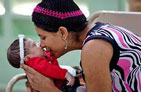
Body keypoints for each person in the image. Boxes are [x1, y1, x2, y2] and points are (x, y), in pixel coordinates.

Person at [20, 0, 141, 91]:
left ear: (63, 32)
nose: (41, 45)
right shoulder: (102, 30)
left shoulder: (94, 48)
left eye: (43, 37)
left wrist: (49, 89)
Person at [7, 37, 81, 92]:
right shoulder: (35, 63)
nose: (39, 44)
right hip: (61, 86)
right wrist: (65, 74)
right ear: (27, 57)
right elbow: (50, 69)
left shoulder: (39, 59)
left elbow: (50, 58)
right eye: (34, 45)